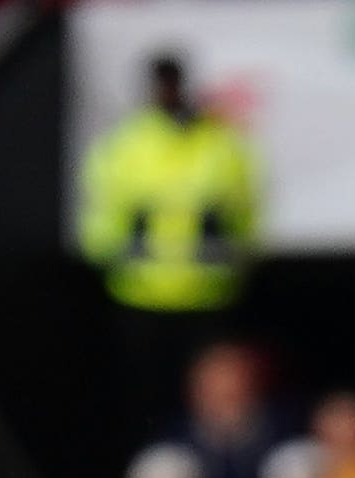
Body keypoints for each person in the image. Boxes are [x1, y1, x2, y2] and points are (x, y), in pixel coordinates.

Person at [78, 52, 260, 449]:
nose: (169, 91)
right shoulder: (126, 143)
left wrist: (234, 257)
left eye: (174, 82)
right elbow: (100, 216)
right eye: (162, 83)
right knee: (141, 403)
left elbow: (247, 211)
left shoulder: (220, 141)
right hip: (141, 294)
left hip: (207, 294)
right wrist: (119, 255)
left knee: (214, 403)